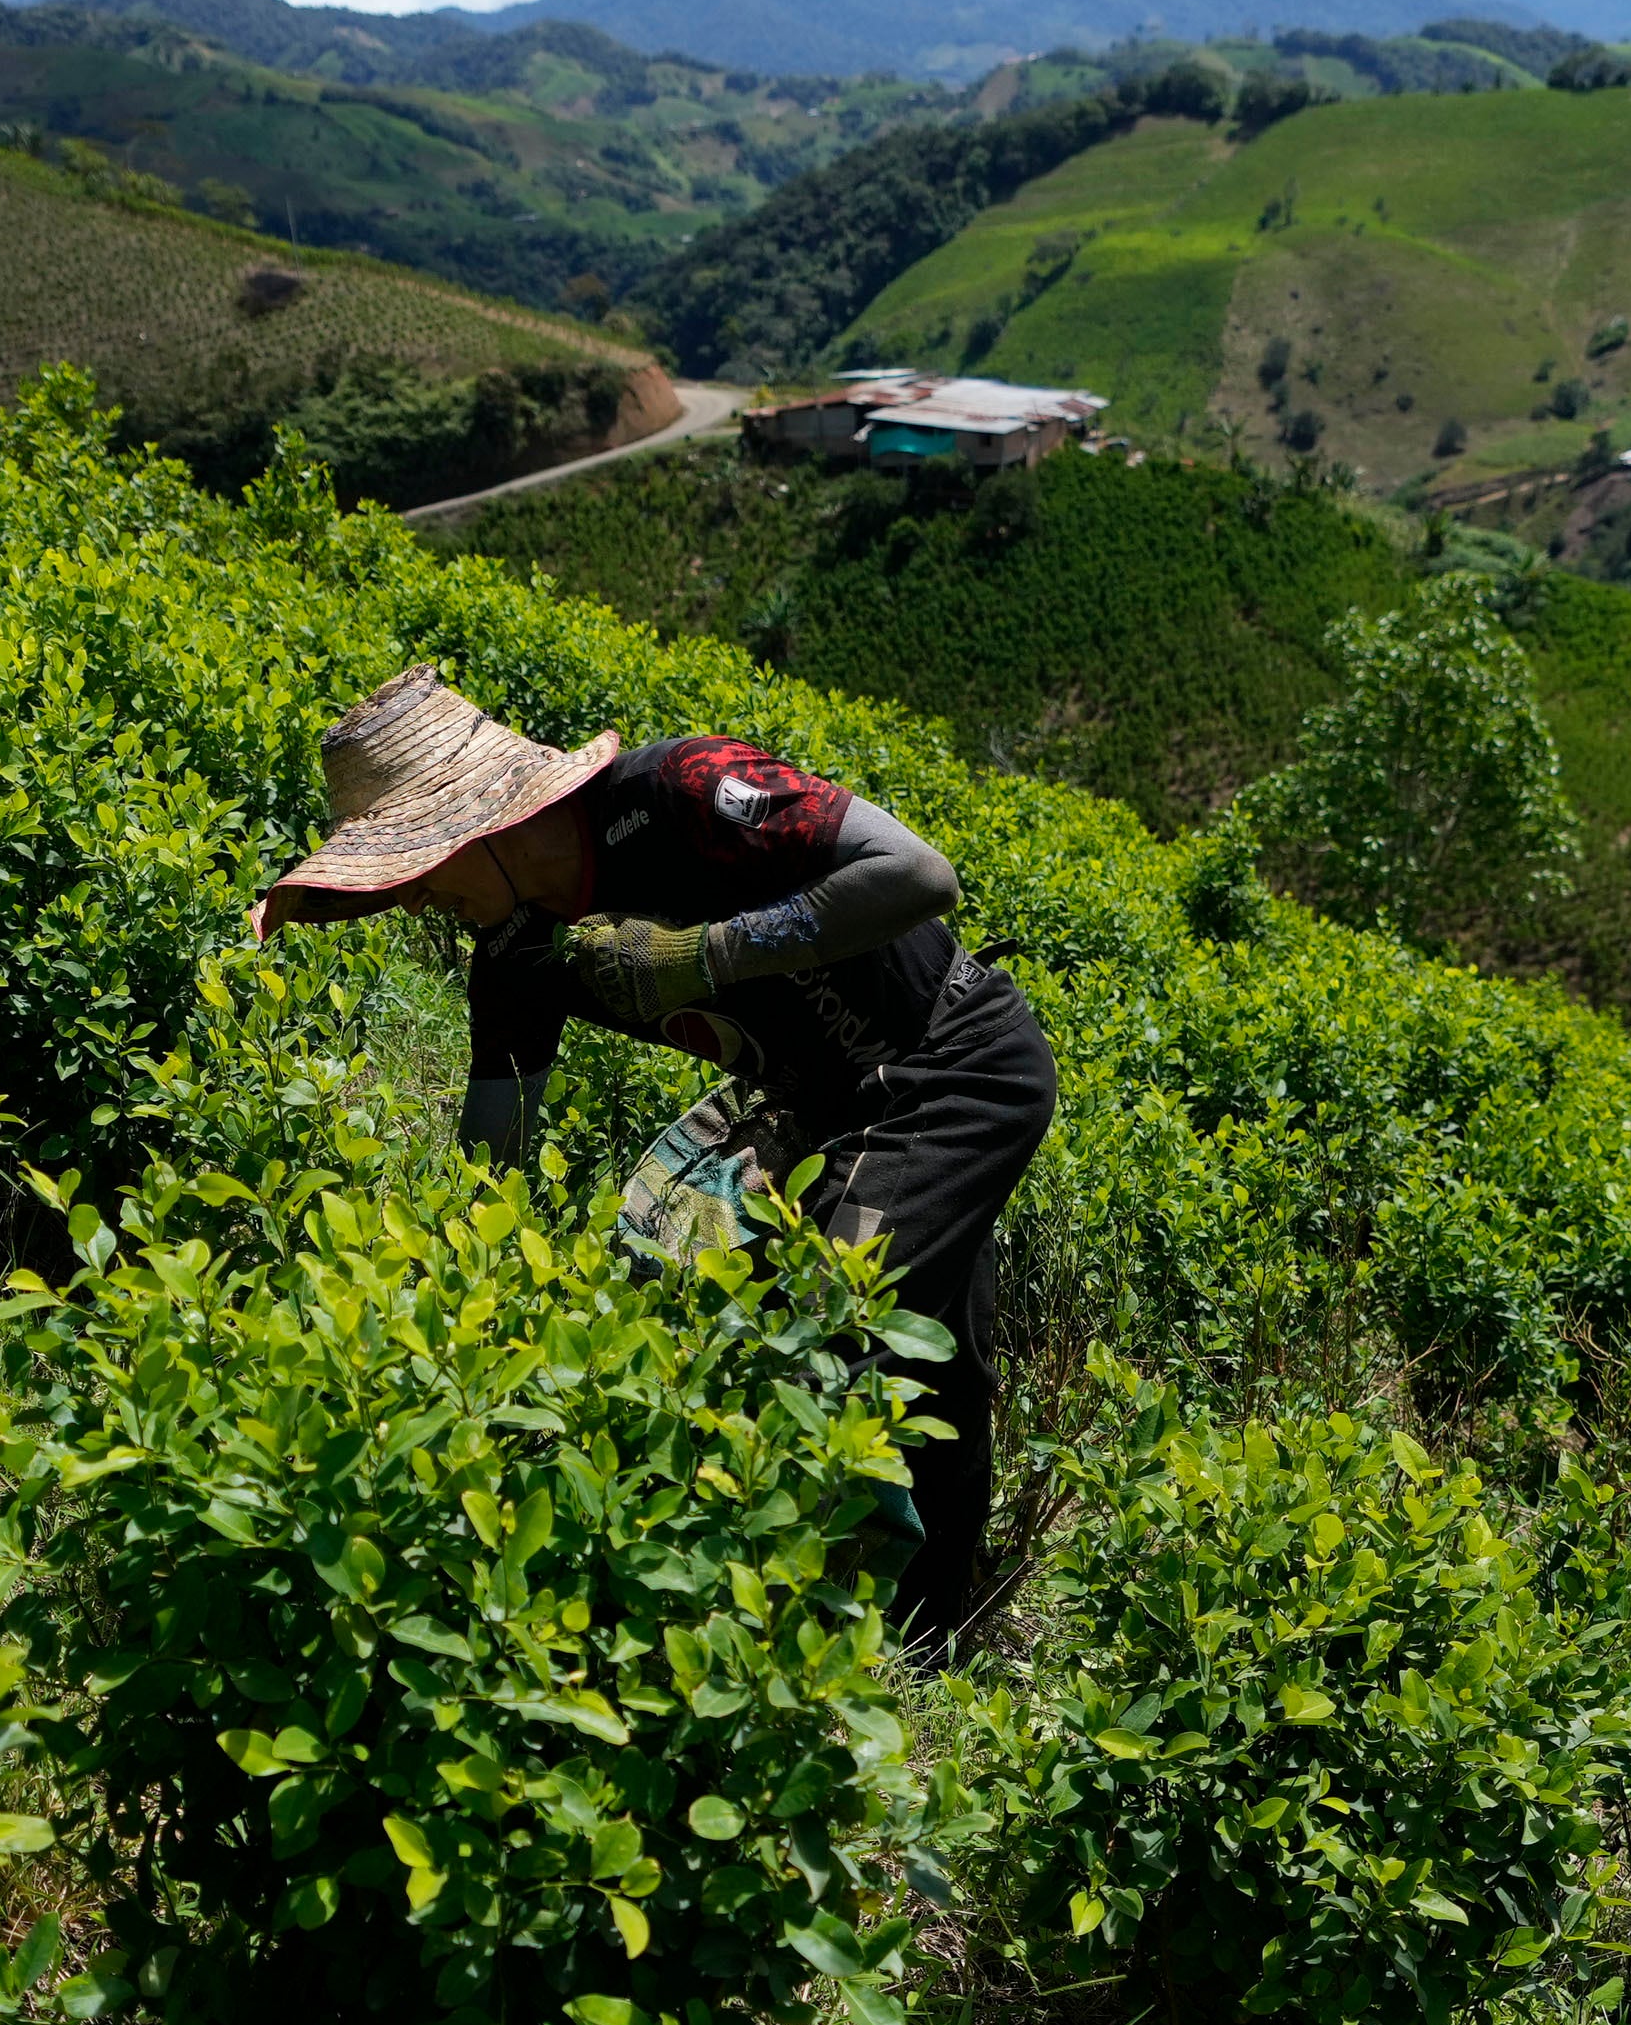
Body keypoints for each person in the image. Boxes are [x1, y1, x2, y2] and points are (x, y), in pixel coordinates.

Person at [250, 665, 1058, 1642]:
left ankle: (848, 1644)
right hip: (809, 1106)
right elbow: (489, 1169)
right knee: (764, 1283)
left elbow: (921, 878)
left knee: (834, 1319)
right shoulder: (515, 954)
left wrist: (701, 955)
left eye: (422, 870)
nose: (416, 900)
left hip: (951, 1065)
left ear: (481, 828)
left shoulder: (679, 794)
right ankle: (932, 1627)